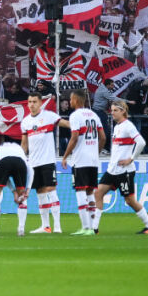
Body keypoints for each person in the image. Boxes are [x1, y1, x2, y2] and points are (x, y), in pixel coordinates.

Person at [93, 100, 148, 235]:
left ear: (123, 111)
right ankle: (94, 229)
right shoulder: (117, 127)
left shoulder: (128, 126)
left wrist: (131, 159)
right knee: (98, 193)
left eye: (115, 110)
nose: (112, 113)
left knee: (130, 201)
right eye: (111, 110)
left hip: (124, 172)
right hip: (112, 170)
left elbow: (141, 142)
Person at [59, 90, 105, 235]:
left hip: (80, 160)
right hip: (93, 160)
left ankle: (85, 227)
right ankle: (92, 227)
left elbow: (74, 138)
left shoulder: (75, 115)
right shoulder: (94, 115)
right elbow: (103, 137)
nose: (70, 101)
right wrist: (96, 152)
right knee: (90, 192)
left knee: (80, 191)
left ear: (76, 100)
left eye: (71, 99)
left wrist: (65, 156)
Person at [21, 92, 62, 233]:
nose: (31, 104)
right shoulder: (25, 122)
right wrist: (21, 159)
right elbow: (24, 144)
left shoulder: (49, 116)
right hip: (33, 163)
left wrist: (79, 127)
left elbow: (65, 124)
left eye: (34, 102)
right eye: (30, 102)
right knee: (40, 193)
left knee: (51, 190)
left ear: (40, 103)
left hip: (48, 161)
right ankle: (46, 226)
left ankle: (57, 226)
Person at [0, 138, 30, 237]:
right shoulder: (20, 150)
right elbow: (30, 171)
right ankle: (21, 230)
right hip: (20, 163)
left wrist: (13, 191)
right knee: (22, 194)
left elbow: (0, 172)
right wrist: (25, 190)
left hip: (3, 161)